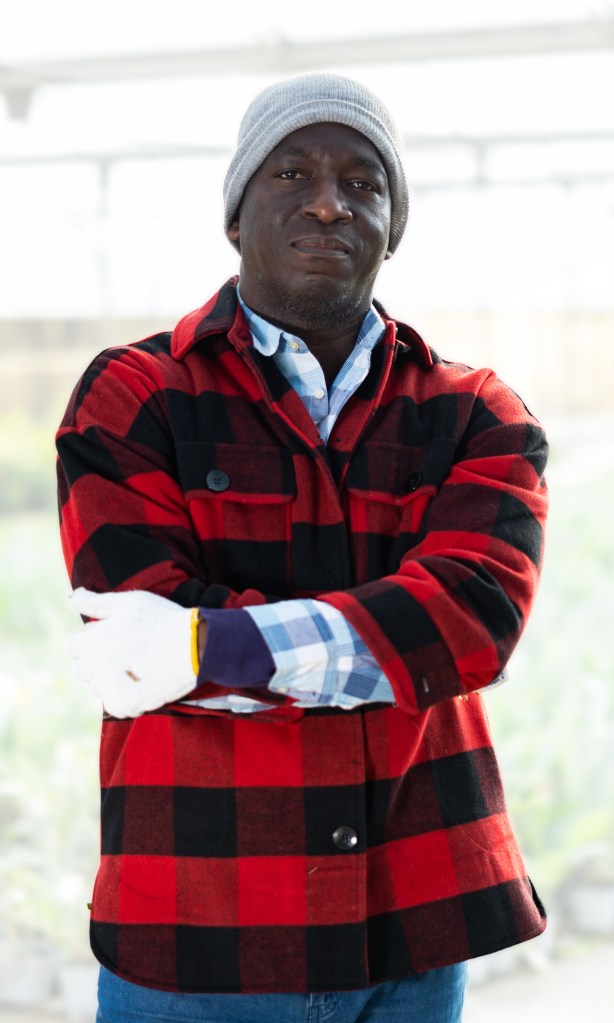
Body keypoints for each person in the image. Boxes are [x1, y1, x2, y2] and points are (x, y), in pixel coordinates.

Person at [57, 73, 548, 1023]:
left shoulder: (477, 413)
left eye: (366, 182)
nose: (331, 200)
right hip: (195, 932)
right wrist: (381, 639)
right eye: (293, 171)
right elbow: (130, 637)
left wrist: (204, 648)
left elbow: (471, 625)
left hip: (412, 931)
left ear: (392, 226)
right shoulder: (133, 396)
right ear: (237, 215)